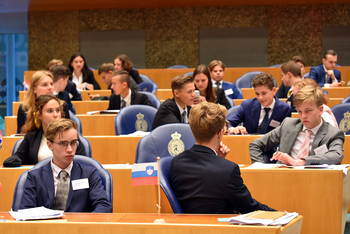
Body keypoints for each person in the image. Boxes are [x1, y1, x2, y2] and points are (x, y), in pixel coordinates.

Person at [170, 102, 275, 214]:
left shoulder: (176, 162)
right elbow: (249, 208)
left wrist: (218, 160)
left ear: (192, 130)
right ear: (220, 133)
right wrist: (281, 215)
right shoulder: (228, 169)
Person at [19, 118, 112, 212]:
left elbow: (104, 206)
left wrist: (85, 224)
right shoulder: (35, 177)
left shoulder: (89, 174)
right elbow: (27, 211)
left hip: (79, 226)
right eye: (63, 143)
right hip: (46, 225)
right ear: (50, 145)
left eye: (73, 143)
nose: (70, 149)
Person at [249, 85, 345, 166]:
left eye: (308, 111)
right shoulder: (288, 125)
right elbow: (256, 144)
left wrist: (300, 162)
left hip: (314, 181)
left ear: (320, 110)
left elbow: (336, 156)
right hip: (283, 178)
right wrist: (260, 167)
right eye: (299, 111)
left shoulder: (333, 133)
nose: (303, 116)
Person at [4, 95, 86, 167]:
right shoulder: (31, 137)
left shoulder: (71, 135)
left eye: (58, 110)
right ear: (39, 115)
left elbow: (84, 162)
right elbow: (17, 158)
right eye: (50, 111)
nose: (55, 115)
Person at [227, 72, 291, 135]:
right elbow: (228, 123)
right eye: (257, 94)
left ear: (273, 91)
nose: (260, 98)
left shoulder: (285, 109)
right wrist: (232, 129)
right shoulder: (247, 105)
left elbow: (286, 135)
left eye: (264, 93)